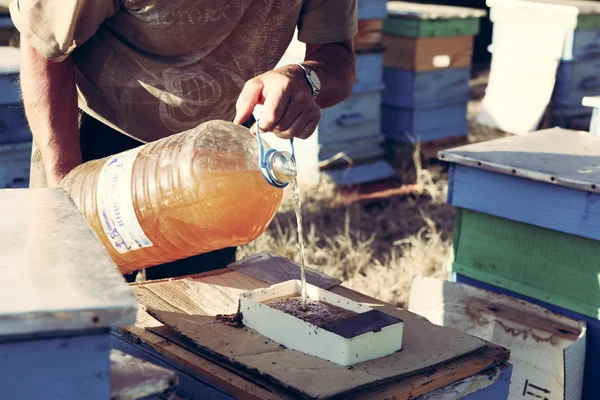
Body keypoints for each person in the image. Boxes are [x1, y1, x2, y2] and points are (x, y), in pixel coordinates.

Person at [9, 0, 357, 281]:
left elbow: (337, 58)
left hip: (214, 161)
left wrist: (305, 77)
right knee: (80, 321)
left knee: (197, 328)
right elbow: (43, 44)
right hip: (94, 149)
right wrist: (66, 188)